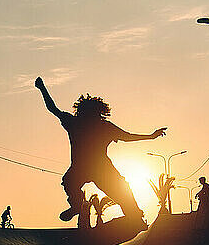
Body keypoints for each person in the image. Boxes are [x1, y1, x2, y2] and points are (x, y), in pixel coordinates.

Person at [35, 76, 166, 225]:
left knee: (70, 181)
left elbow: (53, 108)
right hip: (101, 169)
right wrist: (151, 136)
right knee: (119, 189)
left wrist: (42, 88)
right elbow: (127, 137)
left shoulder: (74, 122)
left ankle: (78, 205)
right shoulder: (103, 126)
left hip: (83, 168)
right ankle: (132, 213)